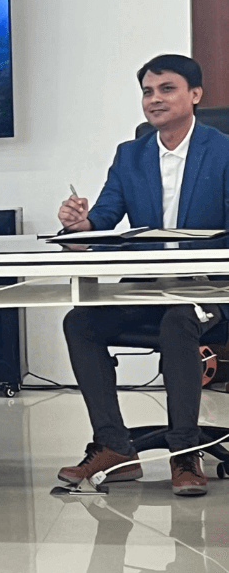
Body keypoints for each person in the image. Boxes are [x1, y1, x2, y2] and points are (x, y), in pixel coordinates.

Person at [57, 54, 229, 496]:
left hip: (210, 291)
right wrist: (80, 225)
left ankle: (185, 452)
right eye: (148, 92)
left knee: (178, 320)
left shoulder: (223, 150)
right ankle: (115, 447)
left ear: (195, 95)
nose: (154, 100)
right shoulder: (130, 155)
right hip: (149, 289)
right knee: (81, 321)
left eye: (166, 89)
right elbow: (104, 219)